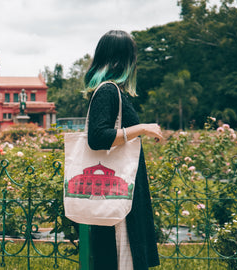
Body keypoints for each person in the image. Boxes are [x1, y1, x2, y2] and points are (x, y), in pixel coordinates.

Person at [85, 30, 163, 270]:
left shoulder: (112, 91)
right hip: (118, 196)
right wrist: (141, 128)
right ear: (121, 60)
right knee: (122, 259)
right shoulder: (108, 91)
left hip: (121, 191)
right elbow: (97, 138)